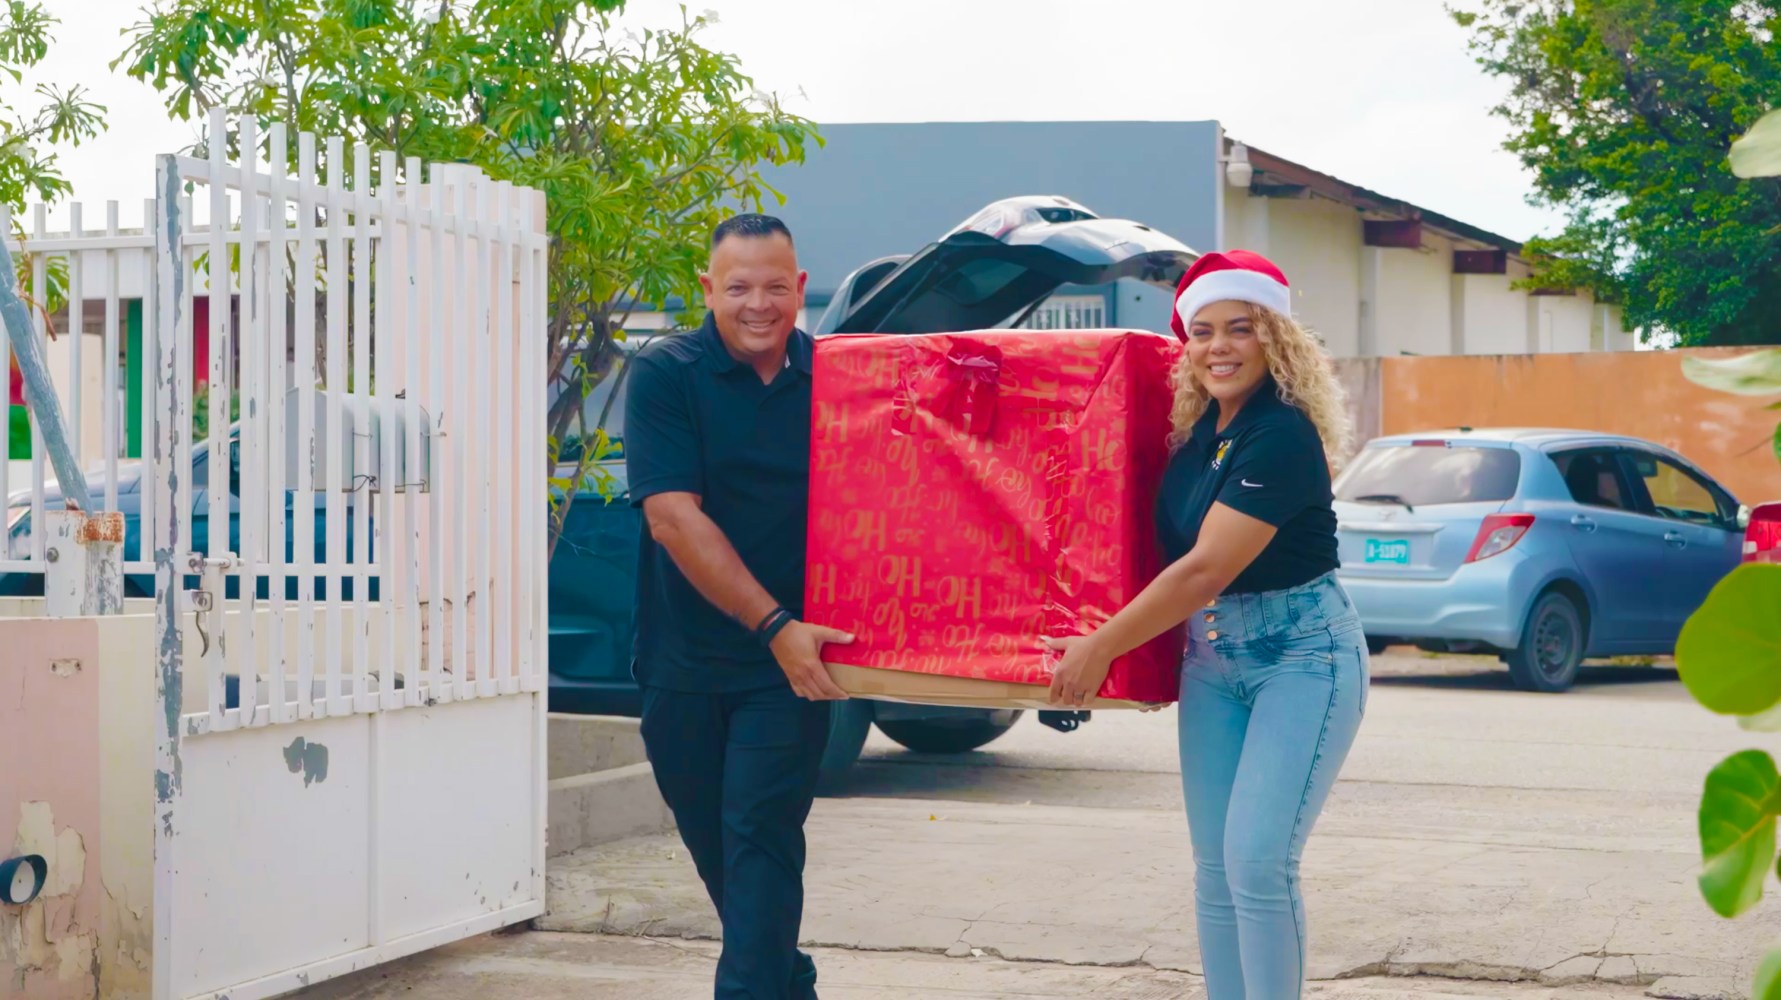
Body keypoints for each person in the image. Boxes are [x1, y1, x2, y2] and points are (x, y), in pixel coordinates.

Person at [1044, 250, 1368, 999]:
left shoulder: (1280, 436)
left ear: (1275, 339)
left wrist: (1100, 649)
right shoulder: (1195, 441)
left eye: (1239, 328)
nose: (1218, 346)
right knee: (1217, 869)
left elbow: (1203, 569)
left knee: (1257, 861)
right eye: (1202, 331)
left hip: (1302, 655)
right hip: (1212, 660)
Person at [624, 212, 854, 1000]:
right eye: (738, 287)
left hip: (790, 671)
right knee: (725, 862)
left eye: (776, 286)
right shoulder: (666, 374)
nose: (760, 304)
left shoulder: (836, 379)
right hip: (682, 665)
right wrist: (772, 624)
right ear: (707, 290)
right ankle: (788, 980)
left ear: (799, 285)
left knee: (759, 840)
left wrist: (791, 638)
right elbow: (672, 518)